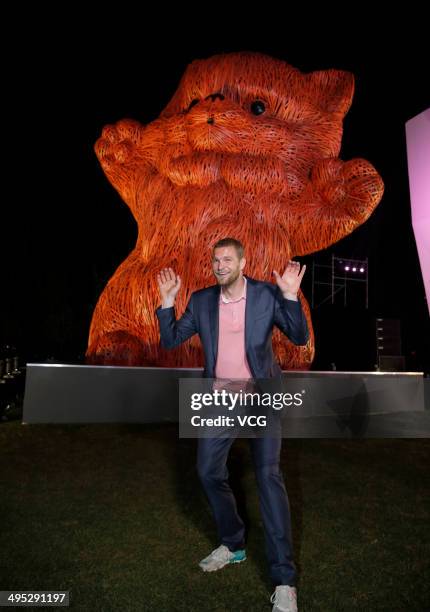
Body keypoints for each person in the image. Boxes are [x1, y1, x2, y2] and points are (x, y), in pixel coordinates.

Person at [156, 237, 308, 612]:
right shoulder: (202, 301)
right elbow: (171, 339)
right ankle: (234, 543)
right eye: (215, 259)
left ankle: (284, 580)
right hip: (221, 399)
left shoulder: (266, 295)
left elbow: (300, 336)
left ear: (242, 263)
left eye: (227, 259)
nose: (220, 264)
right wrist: (167, 302)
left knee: (268, 477)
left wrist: (290, 297)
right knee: (208, 471)